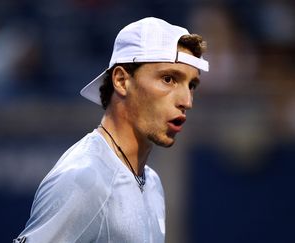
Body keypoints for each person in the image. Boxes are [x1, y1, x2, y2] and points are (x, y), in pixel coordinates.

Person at [14, 17, 209, 243]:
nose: (187, 100)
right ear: (121, 80)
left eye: (191, 85)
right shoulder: (84, 179)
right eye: (168, 79)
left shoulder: (152, 182)